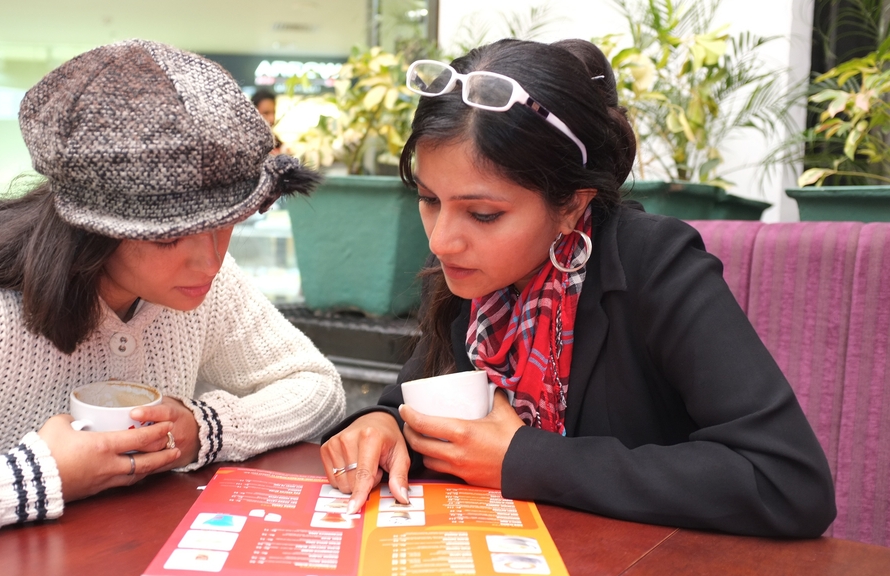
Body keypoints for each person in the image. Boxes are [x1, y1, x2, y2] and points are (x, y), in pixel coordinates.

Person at [320, 38, 836, 539]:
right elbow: (410, 396)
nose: (443, 240)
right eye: (430, 199)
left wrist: (524, 459)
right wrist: (383, 427)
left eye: (483, 214)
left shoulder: (654, 265)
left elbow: (786, 481)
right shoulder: (481, 279)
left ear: (571, 204)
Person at [0, 40, 344, 559]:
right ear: (95, 229)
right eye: (169, 236)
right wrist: (30, 476)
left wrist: (204, 428)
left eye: (226, 226)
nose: (210, 262)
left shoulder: (204, 287)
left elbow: (316, 386)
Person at [251, 87, 285, 155]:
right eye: (266, 113)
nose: (272, 118)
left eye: (274, 112)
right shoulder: (249, 146)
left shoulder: (278, 143)